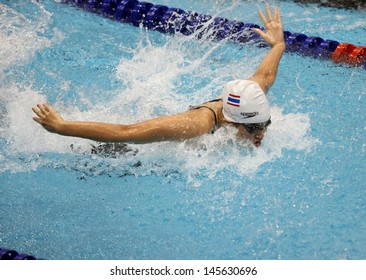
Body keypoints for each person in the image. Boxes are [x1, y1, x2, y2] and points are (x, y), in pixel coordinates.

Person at [32, 4, 285, 148]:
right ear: (230, 122)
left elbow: (265, 75)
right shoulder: (196, 125)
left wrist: (278, 44)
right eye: (253, 129)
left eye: (264, 124)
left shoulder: (250, 95)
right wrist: (63, 127)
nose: (261, 134)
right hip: (129, 149)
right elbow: (127, 131)